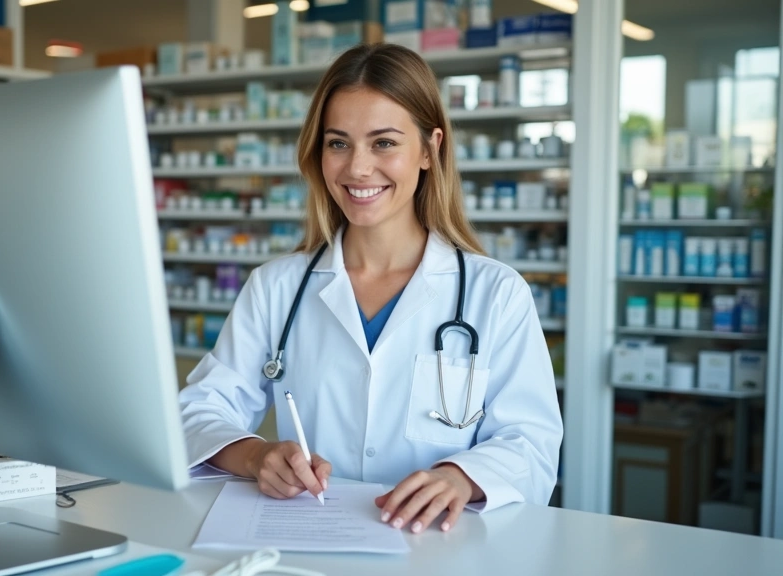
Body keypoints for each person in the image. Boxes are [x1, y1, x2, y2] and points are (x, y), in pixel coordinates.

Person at [178, 43, 563, 534]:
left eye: (383, 143)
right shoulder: (277, 287)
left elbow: (531, 440)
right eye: (338, 143)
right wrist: (257, 456)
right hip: (310, 541)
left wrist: (460, 477)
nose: (358, 168)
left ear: (429, 149)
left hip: (440, 552)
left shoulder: (496, 293)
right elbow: (198, 411)